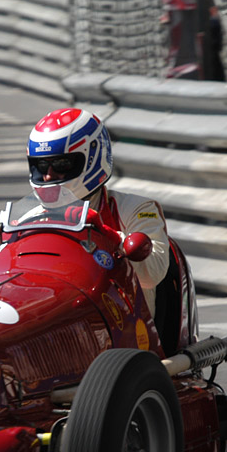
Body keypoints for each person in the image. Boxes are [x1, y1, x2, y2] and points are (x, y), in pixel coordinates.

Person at [25, 108, 170, 316]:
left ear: (91, 159)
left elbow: (153, 274)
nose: (48, 176)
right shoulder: (28, 221)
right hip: (55, 318)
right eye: (41, 165)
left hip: (126, 331)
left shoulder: (137, 209)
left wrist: (109, 235)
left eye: (60, 164)